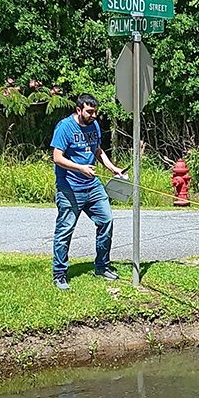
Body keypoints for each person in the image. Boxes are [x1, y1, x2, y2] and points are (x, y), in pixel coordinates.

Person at [51, 94, 125, 290]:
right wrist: (80, 167)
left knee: (106, 221)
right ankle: (59, 273)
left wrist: (112, 168)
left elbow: (97, 150)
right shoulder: (65, 127)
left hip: (92, 186)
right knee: (65, 230)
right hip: (69, 188)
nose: (93, 115)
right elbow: (57, 158)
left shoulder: (94, 126)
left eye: (95, 112)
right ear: (79, 110)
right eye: (89, 112)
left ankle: (102, 266)